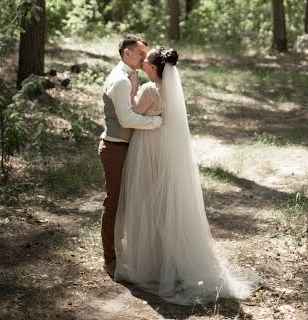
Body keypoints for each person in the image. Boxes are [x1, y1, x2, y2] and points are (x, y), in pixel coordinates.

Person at [114, 46, 257, 304]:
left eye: (146, 60)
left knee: (146, 202)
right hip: (166, 150)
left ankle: (149, 265)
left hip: (147, 148)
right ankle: (170, 263)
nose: (142, 62)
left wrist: (133, 84)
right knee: (165, 204)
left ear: (155, 67)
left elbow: (133, 112)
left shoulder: (148, 89)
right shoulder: (171, 90)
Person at [98, 35, 162, 277]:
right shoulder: (121, 80)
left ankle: (127, 250)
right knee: (114, 202)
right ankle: (110, 257)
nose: (144, 58)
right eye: (140, 54)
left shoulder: (130, 76)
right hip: (115, 147)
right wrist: (156, 122)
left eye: (145, 54)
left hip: (126, 146)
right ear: (127, 52)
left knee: (129, 201)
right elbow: (127, 119)